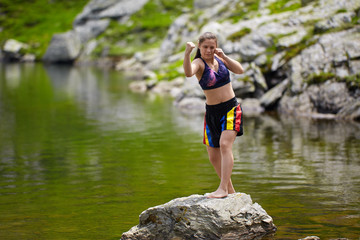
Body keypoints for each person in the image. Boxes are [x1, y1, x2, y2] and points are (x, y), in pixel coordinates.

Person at [183, 32, 244, 198]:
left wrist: (224, 56)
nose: (209, 50)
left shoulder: (221, 59)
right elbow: (189, 73)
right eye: (205, 47)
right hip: (211, 113)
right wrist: (187, 53)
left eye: (212, 47)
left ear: (215, 46)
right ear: (200, 47)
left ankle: (222, 188)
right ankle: (230, 190)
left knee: (225, 145)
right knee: (213, 154)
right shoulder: (198, 63)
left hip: (231, 109)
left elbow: (240, 70)